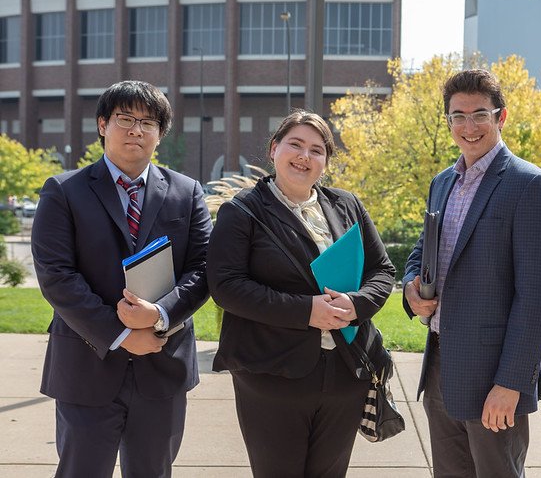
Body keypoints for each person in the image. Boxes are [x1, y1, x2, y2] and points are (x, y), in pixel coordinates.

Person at [31, 80, 213, 477]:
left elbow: (203, 271)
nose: (136, 130)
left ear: (160, 134)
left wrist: (159, 315)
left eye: (148, 122)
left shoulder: (188, 192)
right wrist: (122, 333)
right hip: (87, 366)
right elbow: (57, 276)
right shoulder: (64, 191)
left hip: (162, 365)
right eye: (125, 118)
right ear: (102, 125)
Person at [207, 110, 395, 477]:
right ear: (275, 148)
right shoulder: (243, 211)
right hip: (273, 377)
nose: (304, 156)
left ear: (326, 161)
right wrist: (306, 311)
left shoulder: (347, 205)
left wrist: (356, 305)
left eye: (317, 149)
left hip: (345, 372)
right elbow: (226, 286)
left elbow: (382, 271)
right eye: (295, 144)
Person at [402, 69, 541, 477]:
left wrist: (511, 383)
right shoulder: (443, 182)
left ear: (501, 117)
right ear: (448, 121)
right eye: (458, 116)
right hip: (439, 366)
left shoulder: (531, 185)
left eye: (479, 115)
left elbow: (537, 296)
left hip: (495, 377)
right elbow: (424, 251)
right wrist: (410, 287)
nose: (468, 127)